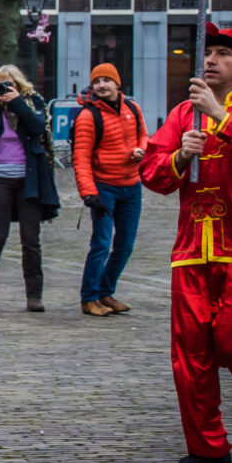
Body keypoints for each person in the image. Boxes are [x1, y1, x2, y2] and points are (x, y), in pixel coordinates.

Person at [140, 24, 232, 463]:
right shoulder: (183, 113)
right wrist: (180, 156)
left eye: (222, 53)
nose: (211, 60)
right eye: (208, 52)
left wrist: (223, 119)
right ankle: (207, 445)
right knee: (190, 354)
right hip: (192, 249)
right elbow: (154, 174)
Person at [0, 64, 58, 313]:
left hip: (27, 179)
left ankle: (34, 296)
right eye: (0, 84)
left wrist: (17, 101)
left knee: (31, 240)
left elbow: (37, 126)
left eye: (10, 84)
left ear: (20, 84)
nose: (5, 89)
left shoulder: (32, 102)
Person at [72, 63, 147, 317]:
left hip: (131, 186)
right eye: (97, 81)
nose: (102, 85)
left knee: (125, 245)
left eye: (107, 80)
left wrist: (141, 150)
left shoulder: (133, 108)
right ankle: (89, 297)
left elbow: (143, 135)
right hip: (104, 187)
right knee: (101, 244)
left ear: (118, 84)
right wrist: (88, 193)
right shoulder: (88, 116)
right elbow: (80, 157)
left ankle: (106, 291)